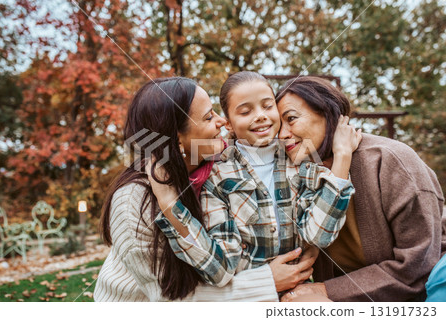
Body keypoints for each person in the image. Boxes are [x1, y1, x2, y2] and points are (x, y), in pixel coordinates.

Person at [94, 77, 318, 302]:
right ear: (178, 139)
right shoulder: (132, 201)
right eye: (209, 117)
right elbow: (168, 300)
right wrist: (268, 281)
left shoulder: (213, 166)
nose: (222, 121)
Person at [153, 72, 361, 290]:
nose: (261, 115)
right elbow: (219, 271)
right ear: (229, 124)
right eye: (245, 111)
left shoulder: (298, 160)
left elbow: (318, 235)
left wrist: (342, 157)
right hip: (247, 299)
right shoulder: (217, 176)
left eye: (267, 106)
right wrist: (171, 207)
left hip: (299, 292)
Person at [277, 76, 446, 302]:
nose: (282, 135)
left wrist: (327, 291)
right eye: (277, 127)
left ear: (328, 114)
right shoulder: (296, 174)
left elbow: (417, 267)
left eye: (291, 119)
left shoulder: (392, 161)